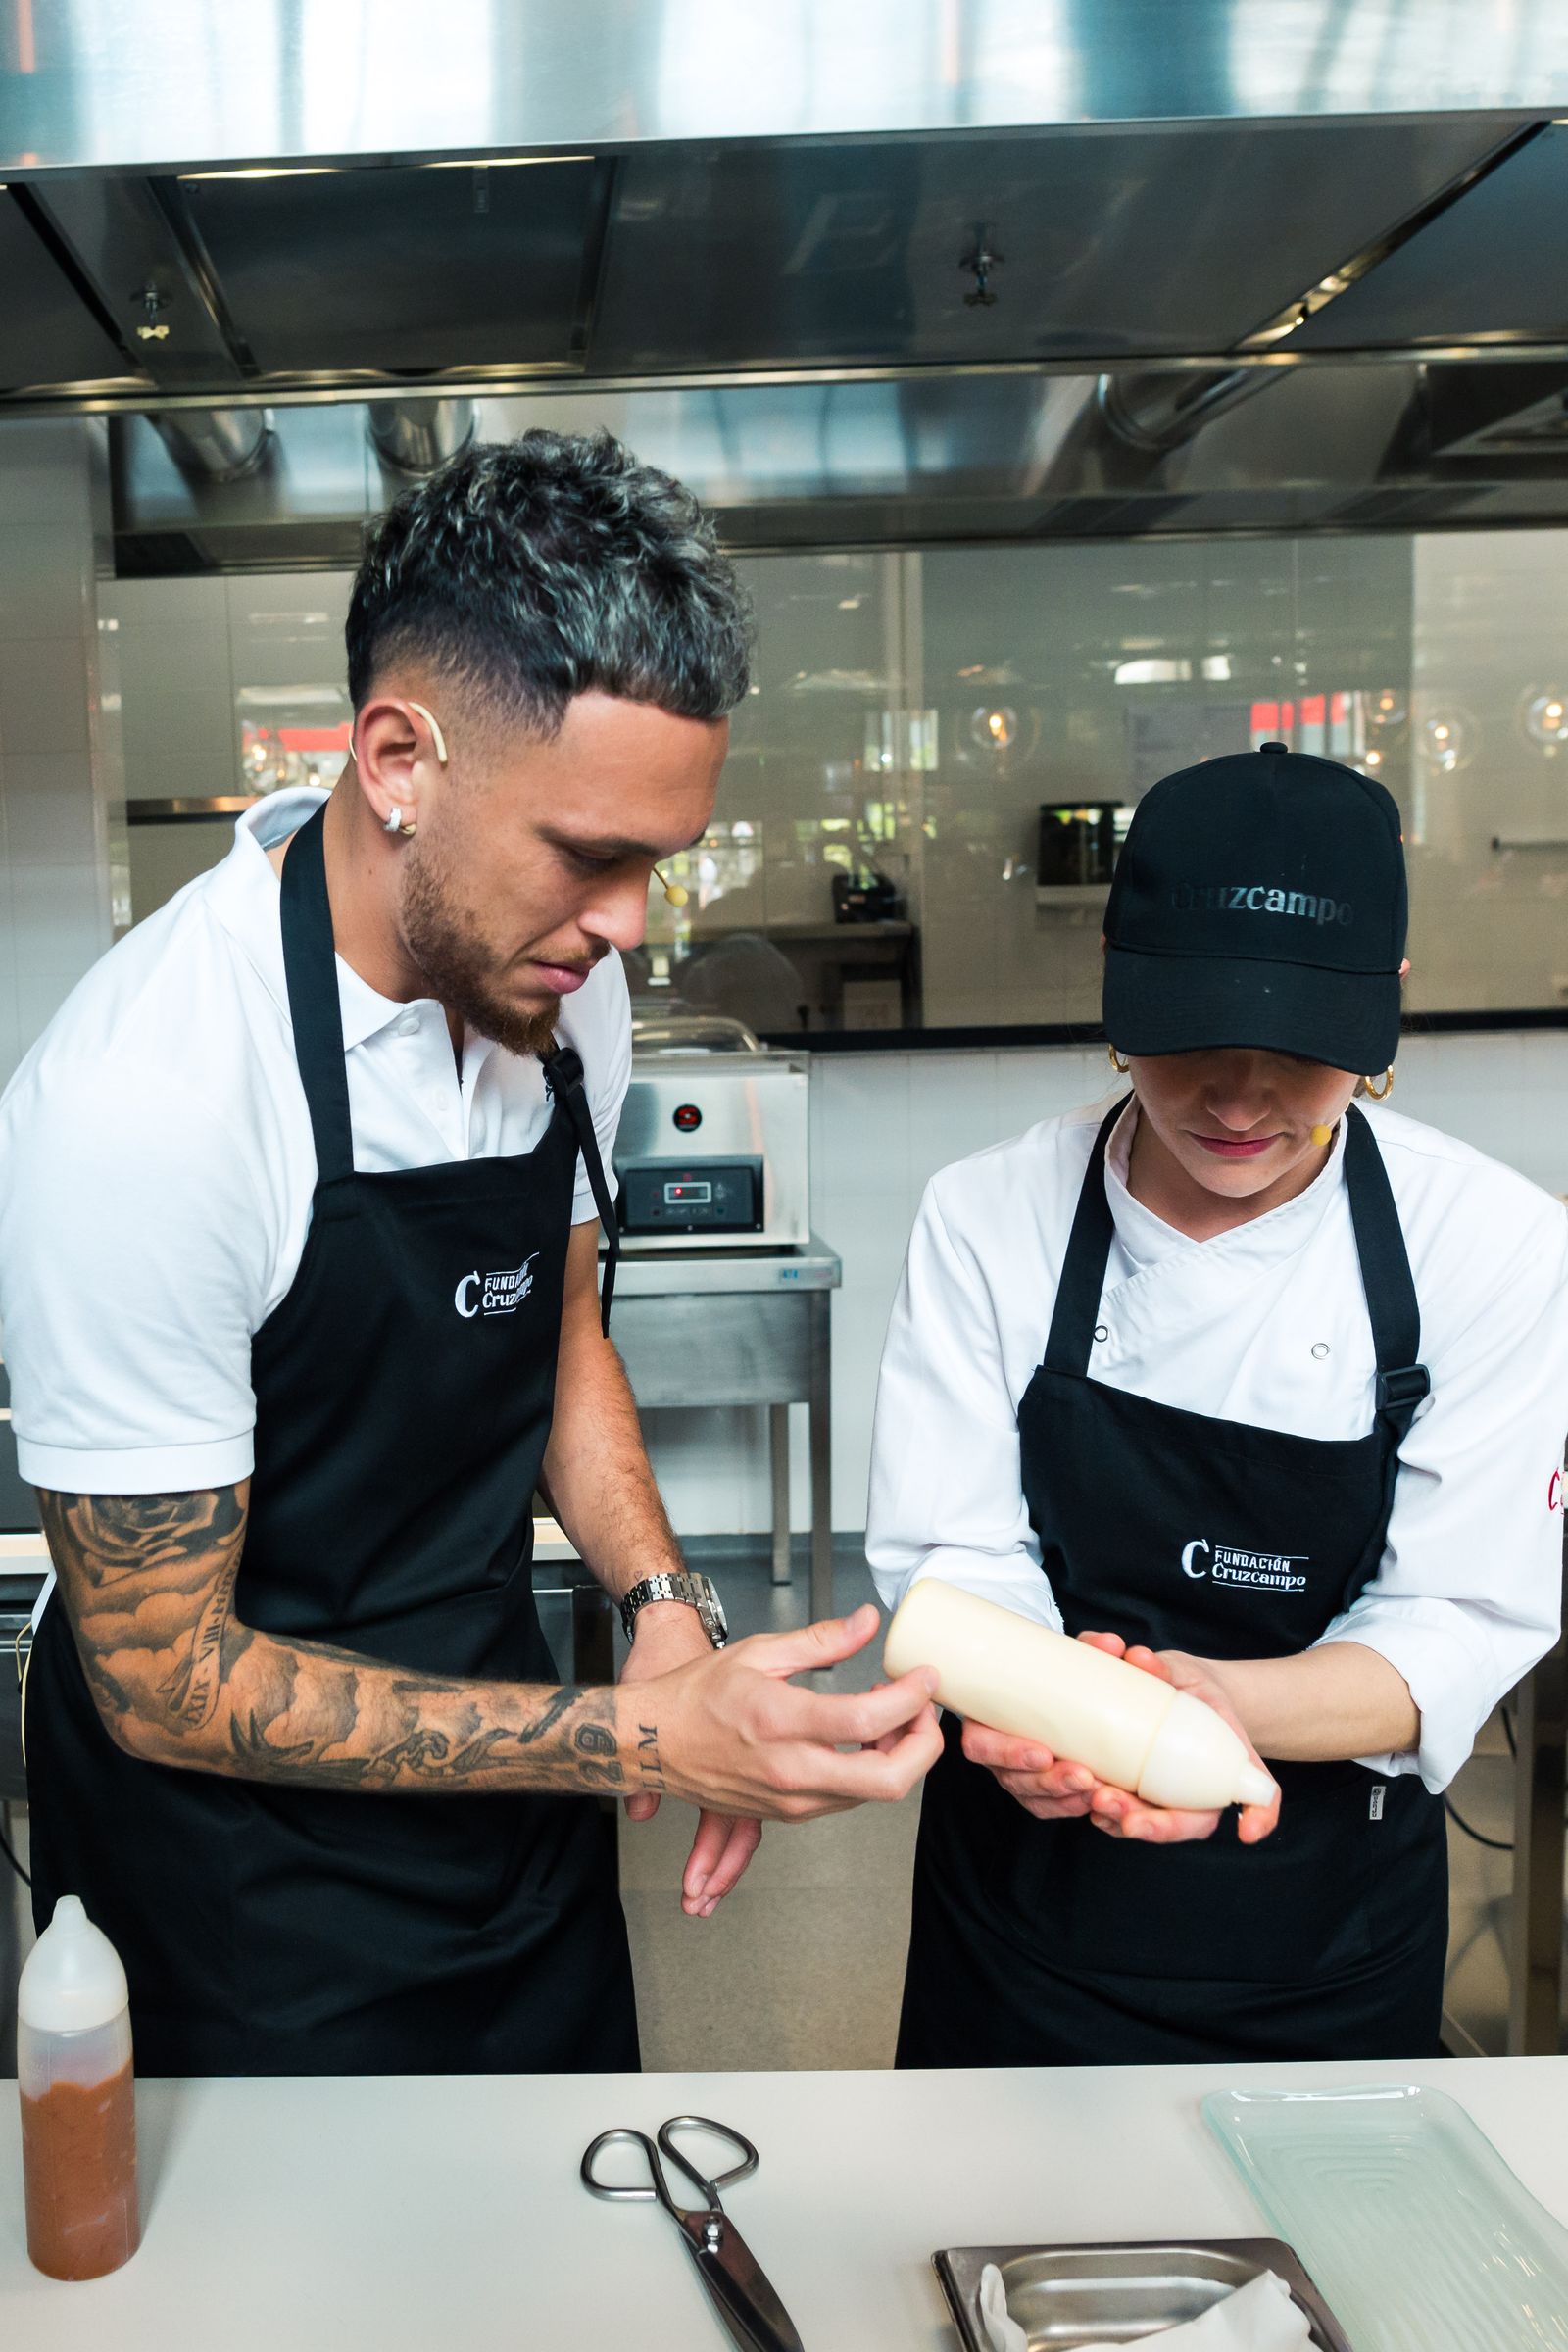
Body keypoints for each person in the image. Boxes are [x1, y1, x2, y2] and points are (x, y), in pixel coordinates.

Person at [0, 431, 942, 2076]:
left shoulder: (563, 995)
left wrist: (663, 1611)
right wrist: (641, 1735)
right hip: (244, 1899)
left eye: (657, 864)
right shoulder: (145, 1098)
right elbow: (162, 1675)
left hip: (515, 1813)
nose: (631, 924)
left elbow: (562, 1335)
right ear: (397, 761)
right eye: (589, 855)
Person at [868, 742, 1568, 2066]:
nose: (1241, 1097)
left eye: (1303, 1046)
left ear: (1386, 1005)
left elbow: (1455, 1620)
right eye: (1192, 1031)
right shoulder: (989, 1214)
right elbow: (952, 1555)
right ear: (1116, 984)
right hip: (1021, 1917)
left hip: (1329, 1941)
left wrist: (1200, 1706)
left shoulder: (1487, 1244)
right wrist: (1052, 1721)